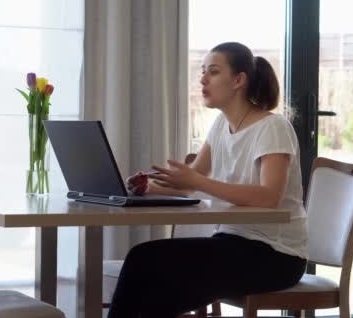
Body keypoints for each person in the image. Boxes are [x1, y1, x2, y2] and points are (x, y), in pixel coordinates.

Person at [108, 42, 308, 318]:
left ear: (238, 80)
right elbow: (191, 183)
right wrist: (150, 187)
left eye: (213, 72)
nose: (202, 79)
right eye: (203, 71)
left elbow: (269, 196)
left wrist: (195, 180)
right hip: (231, 242)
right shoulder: (219, 126)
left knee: (147, 265)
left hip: (276, 255)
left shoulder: (273, 127)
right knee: (147, 271)